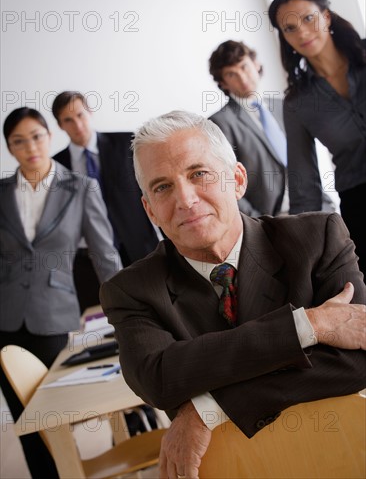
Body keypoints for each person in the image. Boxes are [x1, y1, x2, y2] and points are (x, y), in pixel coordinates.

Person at [100, 111, 366, 479]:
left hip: (337, 457)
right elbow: (160, 379)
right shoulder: (130, 290)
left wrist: (210, 406)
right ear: (150, 210)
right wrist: (309, 325)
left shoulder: (318, 238)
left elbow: (357, 361)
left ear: (238, 179)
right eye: (162, 187)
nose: (186, 199)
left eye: (199, 173)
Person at [0, 107, 122, 478]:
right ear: (10, 148)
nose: (30, 147)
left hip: (53, 313)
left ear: (49, 136)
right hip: (4, 317)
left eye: (36, 136)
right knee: (25, 417)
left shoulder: (80, 188)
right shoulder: (1, 193)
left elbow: (104, 253)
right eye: (18, 141)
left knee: (56, 414)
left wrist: (126, 308)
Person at [268, 0, 366, 276]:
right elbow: (304, 184)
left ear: (326, 16)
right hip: (361, 204)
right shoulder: (297, 102)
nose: (302, 32)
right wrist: (304, 249)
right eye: (290, 28)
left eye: (308, 18)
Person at [52, 91, 161, 311]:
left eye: (80, 115)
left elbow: (155, 190)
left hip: (139, 246)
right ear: (60, 125)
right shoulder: (56, 167)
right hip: (89, 261)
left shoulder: (127, 143)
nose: (77, 125)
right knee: (110, 319)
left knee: (158, 306)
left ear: (90, 113)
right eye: (68, 120)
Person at [209, 39, 335, 217]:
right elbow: (225, 183)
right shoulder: (220, 123)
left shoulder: (284, 106)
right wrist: (257, 222)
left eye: (244, 67)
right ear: (223, 84)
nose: (243, 78)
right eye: (231, 74)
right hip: (273, 217)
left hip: (318, 205)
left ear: (256, 64)